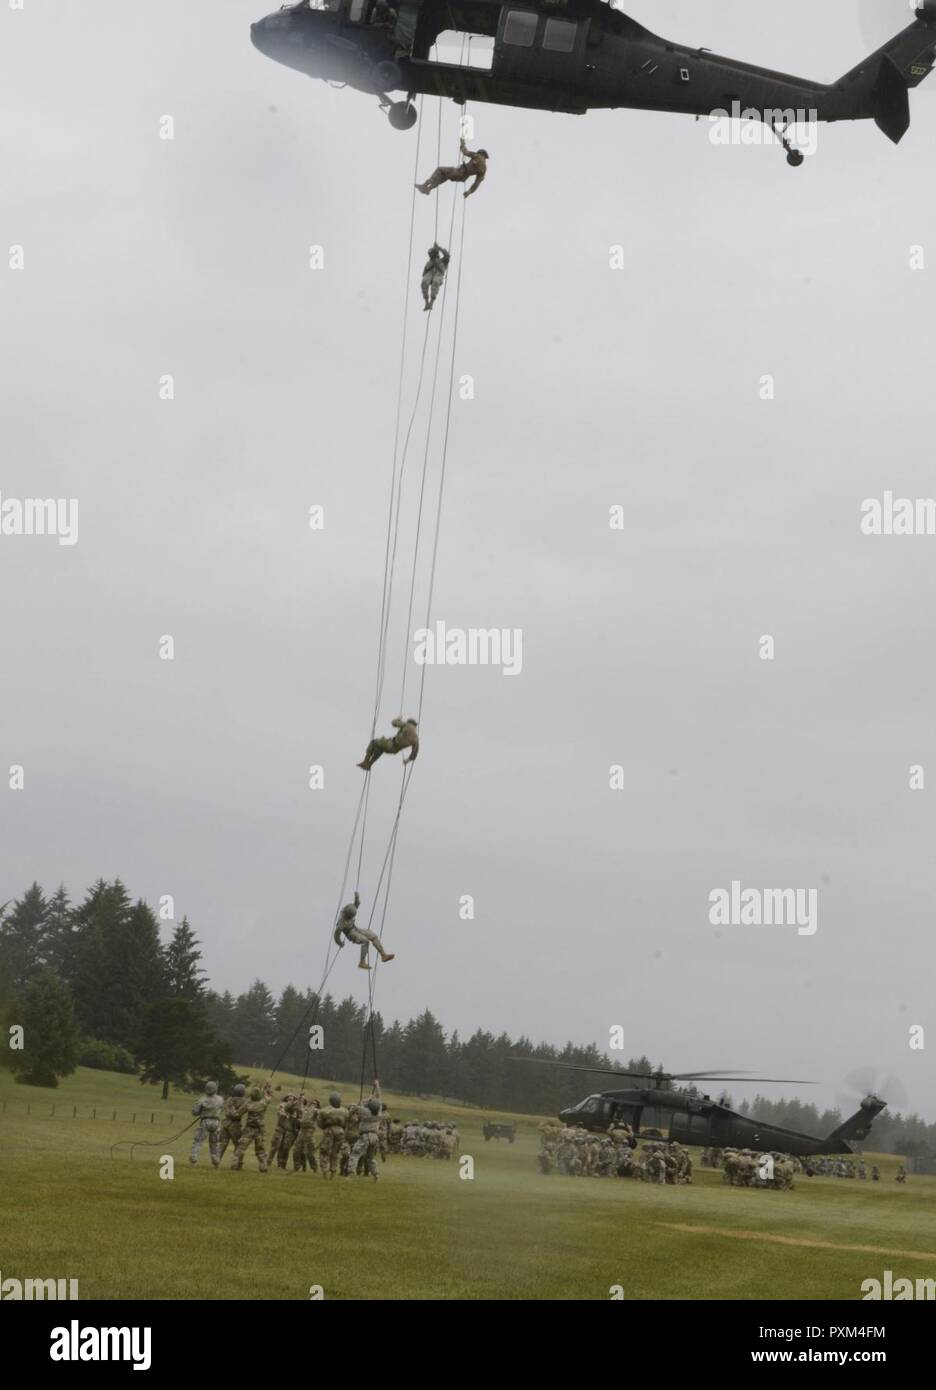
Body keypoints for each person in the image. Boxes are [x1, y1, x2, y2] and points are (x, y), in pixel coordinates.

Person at [333, 891, 395, 969]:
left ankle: (383, 955)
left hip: (355, 928)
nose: (349, 918)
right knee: (365, 941)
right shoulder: (341, 923)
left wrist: (356, 897)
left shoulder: (349, 909)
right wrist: (340, 943)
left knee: (373, 936)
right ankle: (362, 962)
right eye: (348, 917)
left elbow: (356, 904)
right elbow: (336, 935)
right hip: (350, 933)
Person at [416, 140, 488, 199]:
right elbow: (476, 184)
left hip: (459, 171)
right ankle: (428, 189)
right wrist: (468, 192)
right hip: (462, 177)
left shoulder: (477, 156)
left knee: (440, 170)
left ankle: (425, 184)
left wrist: (462, 143)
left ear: (481, 153)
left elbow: (465, 152)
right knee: (443, 176)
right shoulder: (484, 169)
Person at [232, 1085, 272, 1173]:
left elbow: (238, 1113)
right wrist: (267, 1088)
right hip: (259, 1130)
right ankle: (263, 1166)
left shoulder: (248, 1103)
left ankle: (235, 1163)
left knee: (241, 1147)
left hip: (249, 1128)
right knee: (260, 1149)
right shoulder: (263, 1103)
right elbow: (269, 1097)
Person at [350, 1082, 383, 1181]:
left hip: (365, 1136)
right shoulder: (379, 1112)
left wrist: (366, 1100)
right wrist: (377, 1086)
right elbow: (379, 1098)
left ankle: (350, 1174)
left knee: (355, 1154)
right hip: (375, 1137)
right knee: (370, 1158)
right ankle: (376, 1175)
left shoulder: (366, 1112)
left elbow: (356, 1106)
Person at [190, 1080, 224, 1167]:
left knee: (198, 1141)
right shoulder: (220, 1099)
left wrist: (200, 1111)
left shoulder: (202, 1099)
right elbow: (221, 1108)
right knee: (215, 1143)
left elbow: (195, 1112)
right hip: (216, 1122)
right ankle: (216, 1162)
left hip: (205, 1122)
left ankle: (193, 1160)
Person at [217, 1083, 248, 1163]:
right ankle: (237, 1163)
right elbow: (244, 1109)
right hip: (235, 1125)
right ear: (242, 1092)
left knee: (222, 1143)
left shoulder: (229, 1099)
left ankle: (216, 1161)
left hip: (225, 1123)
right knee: (238, 1145)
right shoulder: (244, 1101)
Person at [420, 243, 450, 311]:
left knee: (436, 282)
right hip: (429, 274)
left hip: (438, 274)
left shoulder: (443, 261)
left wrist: (439, 247)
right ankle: (426, 302)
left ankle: (431, 302)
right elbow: (424, 272)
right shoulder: (429, 263)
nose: (431, 256)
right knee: (424, 282)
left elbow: (447, 255)